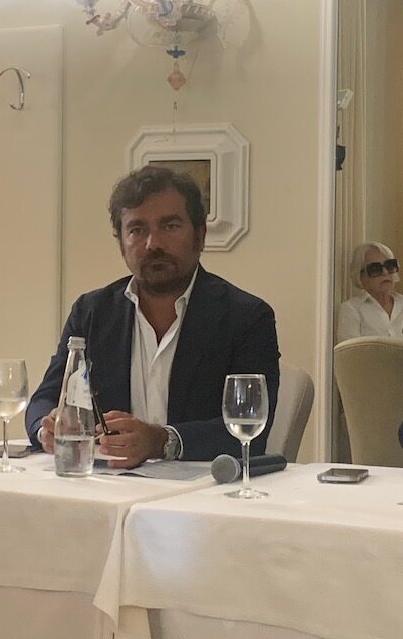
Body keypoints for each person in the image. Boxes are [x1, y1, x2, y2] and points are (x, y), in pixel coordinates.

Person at [25, 166, 280, 468]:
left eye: (169, 226)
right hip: (106, 483)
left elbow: (249, 430)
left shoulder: (247, 317)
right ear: (121, 243)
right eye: (137, 230)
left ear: (200, 235)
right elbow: (45, 399)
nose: (153, 244)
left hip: (205, 488)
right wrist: (47, 427)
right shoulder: (91, 312)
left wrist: (161, 441)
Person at [337, 241, 403, 343]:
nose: (385, 272)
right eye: (375, 268)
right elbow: (350, 351)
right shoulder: (352, 309)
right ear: (360, 276)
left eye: (390, 265)